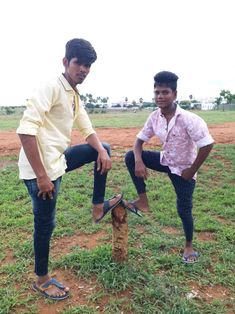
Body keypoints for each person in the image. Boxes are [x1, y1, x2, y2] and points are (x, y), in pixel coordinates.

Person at [16, 38, 122, 300]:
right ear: (66, 62)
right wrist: (42, 177)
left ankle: (98, 206)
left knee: (104, 148)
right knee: (45, 224)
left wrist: (99, 150)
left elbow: (87, 128)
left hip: (58, 160)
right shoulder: (50, 87)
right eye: (79, 63)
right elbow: (26, 131)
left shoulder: (73, 94)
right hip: (40, 170)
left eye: (88, 65)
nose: (84, 69)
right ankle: (41, 280)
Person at [124, 71, 214, 264]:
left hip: (183, 170)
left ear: (174, 94)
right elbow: (138, 142)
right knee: (131, 157)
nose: (160, 96)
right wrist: (139, 161)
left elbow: (207, 144)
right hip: (165, 160)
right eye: (157, 92)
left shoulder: (189, 119)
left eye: (165, 92)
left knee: (184, 209)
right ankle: (143, 201)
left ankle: (188, 246)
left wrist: (191, 171)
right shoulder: (154, 117)